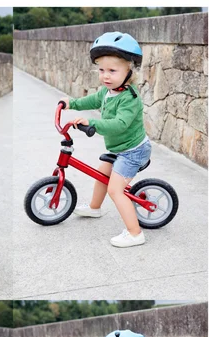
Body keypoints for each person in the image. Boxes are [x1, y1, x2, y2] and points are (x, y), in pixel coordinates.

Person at [60, 32, 151, 248]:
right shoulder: (107, 91)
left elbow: (120, 124)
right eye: (101, 70)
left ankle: (135, 233)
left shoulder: (129, 98)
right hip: (120, 148)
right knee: (101, 174)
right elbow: (92, 99)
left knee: (115, 190)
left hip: (133, 151)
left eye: (112, 70)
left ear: (130, 71)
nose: (105, 76)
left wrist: (93, 124)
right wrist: (71, 103)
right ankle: (94, 207)